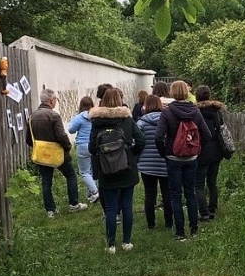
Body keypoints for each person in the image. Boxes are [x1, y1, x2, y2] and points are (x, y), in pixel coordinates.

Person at [89, 88, 145, 254]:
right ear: (120, 100)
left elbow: (92, 148)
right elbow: (141, 140)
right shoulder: (126, 119)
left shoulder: (97, 121)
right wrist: (130, 155)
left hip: (106, 171)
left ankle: (111, 245)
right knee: (127, 205)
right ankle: (126, 242)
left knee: (111, 208)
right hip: (127, 168)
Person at [155, 81, 212, 241]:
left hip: (173, 158)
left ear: (172, 93)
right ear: (187, 93)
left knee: (175, 195)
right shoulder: (195, 111)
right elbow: (207, 135)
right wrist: (197, 150)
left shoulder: (167, 112)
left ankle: (180, 233)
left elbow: (158, 137)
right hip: (191, 158)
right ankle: (194, 229)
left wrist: (164, 152)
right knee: (190, 193)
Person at [25, 88, 88, 217]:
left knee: (46, 181)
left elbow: (28, 139)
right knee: (70, 175)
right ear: (51, 101)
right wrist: (67, 147)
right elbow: (61, 135)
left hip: (42, 154)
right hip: (58, 153)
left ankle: (50, 210)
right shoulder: (54, 116)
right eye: (56, 100)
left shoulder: (32, 116)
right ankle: (74, 204)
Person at [137, 95, 173, 229]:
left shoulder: (141, 122)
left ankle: (151, 224)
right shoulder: (168, 120)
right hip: (165, 161)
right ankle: (169, 223)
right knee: (168, 193)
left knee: (149, 194)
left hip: (147, 164)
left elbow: (137, 142)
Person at [194, 85, 225, 222]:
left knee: (199, 184)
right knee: (212, 182)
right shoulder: (217, 111)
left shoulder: (196, 112)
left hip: (202, 150)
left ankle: (204, 213)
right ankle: (212, 209)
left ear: (197, 96)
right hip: (216, 150)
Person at [68, 96, 99, 203]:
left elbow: (71, 130)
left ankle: (95, 191)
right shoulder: (96, 116)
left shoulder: (79, 117)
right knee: (92, 170)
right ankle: (91, 195)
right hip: (94, 145)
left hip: (82, 146)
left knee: (84, 172)